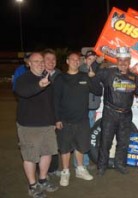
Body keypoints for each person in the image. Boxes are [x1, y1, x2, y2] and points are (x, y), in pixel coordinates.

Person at [54, 52, 102, 186]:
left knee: (81, 145)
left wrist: (93, 78)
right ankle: (65, 172)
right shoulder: (60, 78)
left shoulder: (85, 77)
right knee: (64, 147)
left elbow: (98, 91)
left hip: (82, 119)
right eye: (73, 59)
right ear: (67, 61)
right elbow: (55, 100)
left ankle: (80, 169)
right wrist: (57, 119)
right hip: (65, 120)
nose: (75, 61)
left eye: (78, 60)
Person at [15, 52, 59, 198]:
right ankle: (33, 185)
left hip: (47, 125)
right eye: (36, 61)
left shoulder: (47, 77)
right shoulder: (23, 78)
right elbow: (22, 92)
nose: (40, 63)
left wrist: (53, 120)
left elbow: (51, 102)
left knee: (47, 153)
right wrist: (39, 85)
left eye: (42, 61)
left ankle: (42, 179)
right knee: (30, 156)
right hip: (29, 126)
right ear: (29, 63)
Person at [92, 46, 138, 176]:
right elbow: (93, 71)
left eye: (126, 61)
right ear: (117, 61)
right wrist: (98, 60)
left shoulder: (134, 77)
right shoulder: (108, 73)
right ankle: (101, 167)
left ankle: (120, 164)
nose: (123, 63)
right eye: (120, 60)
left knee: (123, 142)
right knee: (105, 141)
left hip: (126, 114)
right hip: (110, 113)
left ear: (129, 62)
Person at [73, 49, 102, 170]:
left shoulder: (93, 70)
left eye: (94, 59)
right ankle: (79, 164)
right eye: (89, 59)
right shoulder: (83, 70)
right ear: (84, 60)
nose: (92, 61)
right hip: (84, 109)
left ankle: (84, 162)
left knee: (87, 135)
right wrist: (97, 63)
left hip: (92, 108)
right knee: (82, 136)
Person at [42, 48, 62, 177]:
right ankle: (43, 172)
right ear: (42, 61)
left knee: (55, 144)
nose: (51, 61)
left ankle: (53, 169)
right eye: (48, 59)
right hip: (42, 116)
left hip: (57, 115)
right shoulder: (38, 74)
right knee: (43, 145)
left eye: (53, 59)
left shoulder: (60, 74)